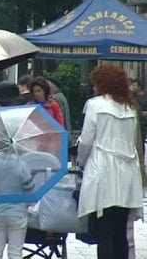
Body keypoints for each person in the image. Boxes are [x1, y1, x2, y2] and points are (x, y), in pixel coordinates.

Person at [76, 64, 144, 259]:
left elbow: (87, 139)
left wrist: (81, 161)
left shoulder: (95, 105)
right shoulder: (130, 109)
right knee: (120, 230)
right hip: (126, 173)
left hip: (103, 171)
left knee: (104, 230)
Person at [0, 81, 33, 259]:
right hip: (18, 211)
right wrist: (30, 198)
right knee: (15, 251)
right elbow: (28, 184)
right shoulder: (21, 163)